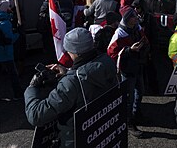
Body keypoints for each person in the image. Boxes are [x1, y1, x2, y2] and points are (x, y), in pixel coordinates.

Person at [24, 27, 119, 147]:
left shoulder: (71, 83)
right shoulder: (107, 62)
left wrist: (32, 88)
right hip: (103, 133)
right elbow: (88, 75)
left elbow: (36, 116)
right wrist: (68, 72)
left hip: (76, 139)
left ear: (74, 52)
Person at [107, 9, 149, 138]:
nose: (136, 18)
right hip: (127, 70)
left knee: (140, 92)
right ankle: (128, 122)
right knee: (129, 98)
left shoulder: (138, 28)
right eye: (133, 17)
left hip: (138, 67)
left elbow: (145, 41)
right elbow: (111, 52)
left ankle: (136, 114)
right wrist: (129, 50)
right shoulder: (120, 33)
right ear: (127, 19)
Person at [0, 0, 21, 100]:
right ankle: (18, 94)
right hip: (5, 53)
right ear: (5, 10)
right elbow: (9, 40)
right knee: (13, 74)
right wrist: (18, 33)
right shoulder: (5, 23)